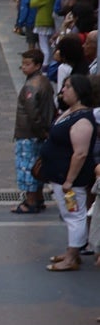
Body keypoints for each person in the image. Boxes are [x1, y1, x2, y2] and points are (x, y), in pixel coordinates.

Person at [38, 74, 96, 271]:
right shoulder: (70, 112)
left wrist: (69, 181)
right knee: (68, 214)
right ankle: (72, 251)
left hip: (69, 179)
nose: (63, 90)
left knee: (74, 215)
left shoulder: (83, 120)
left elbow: (80, 154)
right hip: (58, 175)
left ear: (79, 92)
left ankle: (72, 257)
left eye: (68, 87)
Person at [11, 48, 56, 214]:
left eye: (27, 64)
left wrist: (41, 130)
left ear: (37, 65)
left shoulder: (31, 86)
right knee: (37, 166)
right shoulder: (44, 81)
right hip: (39, 132)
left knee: (27, 167)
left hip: (29, 133)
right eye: (22, 63)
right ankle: (38, 198)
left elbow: (33, 113)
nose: (23, 67)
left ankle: (30, 202)